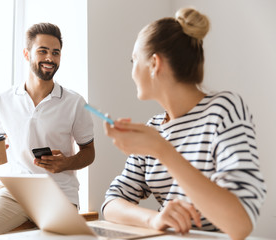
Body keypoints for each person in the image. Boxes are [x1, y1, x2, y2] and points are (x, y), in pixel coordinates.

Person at [102, 8, 266, 240]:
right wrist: (154, 219)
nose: (131, 72)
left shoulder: (223, 110)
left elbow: (240, 225)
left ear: (154, 64)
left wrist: (162, 150)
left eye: (134, 60)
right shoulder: (154, 127)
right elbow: (111, 203)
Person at [0, 22, 95, 239]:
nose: (50, 58)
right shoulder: (4, 100)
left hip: (58, 194)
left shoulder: (74, 102)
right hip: (15, 192)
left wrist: (66, 162)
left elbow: (89, 152)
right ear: (26, 53)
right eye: (43, 51)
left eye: (55, 53)